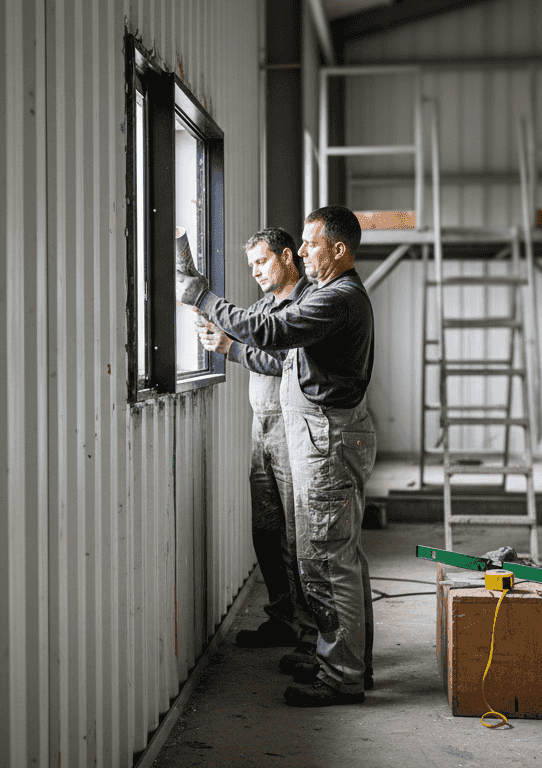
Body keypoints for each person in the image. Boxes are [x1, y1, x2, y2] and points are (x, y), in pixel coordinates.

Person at [177, 206, 376, 707]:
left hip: (327, 438)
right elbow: (276, 346)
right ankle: (344, 661)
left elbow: (271, 334)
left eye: (310, 243)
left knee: (326, 558)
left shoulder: (336, 298)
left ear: (339, 249)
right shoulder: (332, 295)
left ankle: (342, 676)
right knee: (332, 556)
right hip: (323, 435)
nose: (302, 250)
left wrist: (201, 295)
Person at [197, 228, 317, 650]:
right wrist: (214, 331)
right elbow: (244, 335)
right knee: (266, 531)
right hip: (261, 428)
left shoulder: (306, 304)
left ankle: (311, 631)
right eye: (251, 265)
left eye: (262, 262)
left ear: (287, 257)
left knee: (297, 535)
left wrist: (230, 348)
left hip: (290, 428)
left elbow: (286, 360)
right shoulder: (263, 306)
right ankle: (283, 619)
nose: (256, 272)